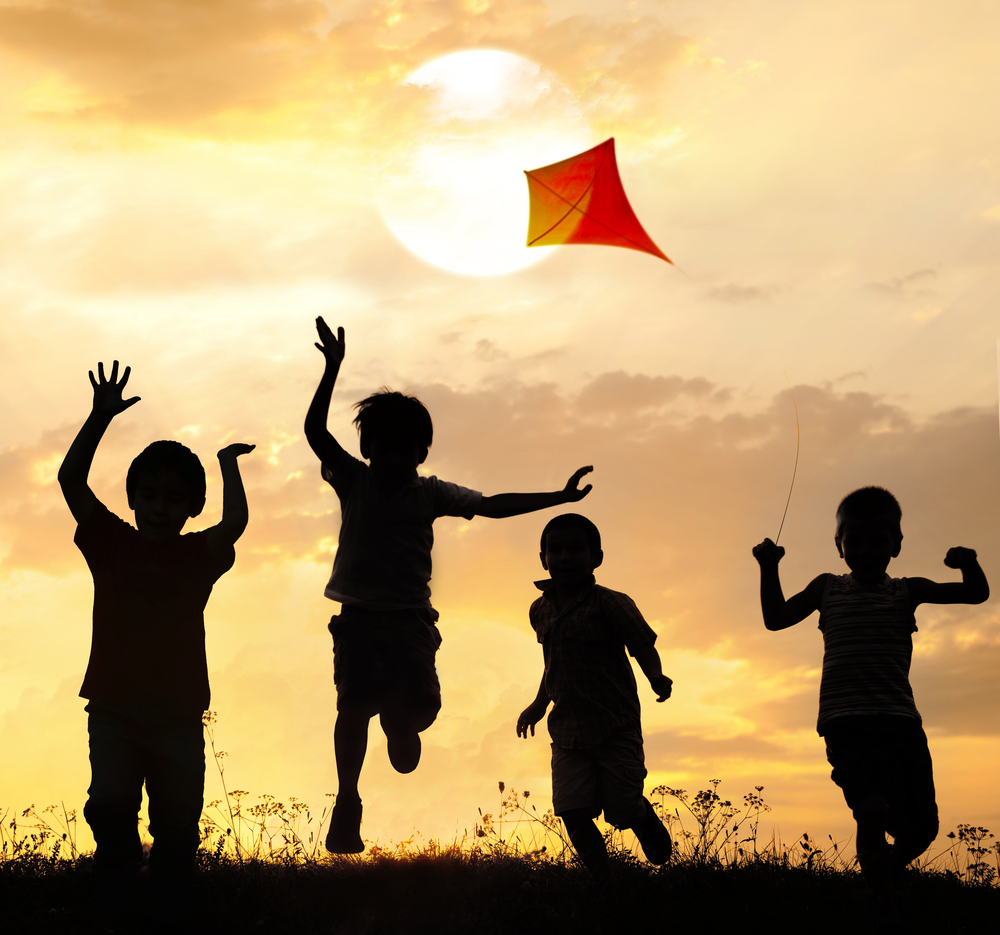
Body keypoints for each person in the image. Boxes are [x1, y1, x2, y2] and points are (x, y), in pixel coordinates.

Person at [304, 318, 595, 854]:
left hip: (412, 622)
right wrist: (332, 370)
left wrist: (558, 497)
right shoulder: (354, 479)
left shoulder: (431, 493)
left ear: (421, 453)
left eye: (404, 450)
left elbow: (492, 505)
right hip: (359, 619)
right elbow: (317, 435)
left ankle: (401, 723)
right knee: (351, 706)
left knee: (421, 710)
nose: (392, 460)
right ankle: (348, 800)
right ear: (367, 450)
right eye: (382, 448)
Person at [58, 360, 254, 913]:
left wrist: (226, 466)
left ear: (193, 506)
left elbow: (234, 524)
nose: (159, 507)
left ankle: (167, 898)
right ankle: (119, 877)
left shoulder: (198, 557)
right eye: (148, 495)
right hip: (115, 711)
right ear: (133, 499)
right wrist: (99, 418)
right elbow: (72, 481)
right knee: (111, 802)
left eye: (173, 498)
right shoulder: (111, 543)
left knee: (177, 822)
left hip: (177, 716)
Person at [753, 485, 988, 906]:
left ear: (897, 544)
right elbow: (775, 618)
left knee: (922, 830)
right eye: (854, 541)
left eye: (878, 540)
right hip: (847, 724)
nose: (865, 550)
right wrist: (768, 568)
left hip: (900, 723)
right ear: (838, 546)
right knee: (872, 809)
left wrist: (969, 563)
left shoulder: (906, 591)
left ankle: (880, 874)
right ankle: (882, 904)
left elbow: (975, 594)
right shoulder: (827, 588)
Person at [516, 513, 674, 881]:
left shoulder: (611, 604)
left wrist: (655, 676)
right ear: (543, 559)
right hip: (568, 731)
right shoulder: (539, 609)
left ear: (596, 558)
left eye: (575, 549)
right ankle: (603, 882)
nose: (565, 557)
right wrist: (539, 704)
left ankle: (640, 816)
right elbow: (552, 661)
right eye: (555, 550)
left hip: (614, 725)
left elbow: (642, 644)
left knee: (623, 806)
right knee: (571, 808)